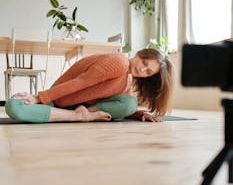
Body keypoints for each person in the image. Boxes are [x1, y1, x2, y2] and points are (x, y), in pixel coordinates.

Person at [5, 48, 174, 123]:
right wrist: (39, 97)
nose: (142, 69)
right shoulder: (119, 62)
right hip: (60, 99)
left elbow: (121, 106)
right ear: (139, 54)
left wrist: (138, 115)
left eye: (147, 72)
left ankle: (77, 114)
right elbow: (81, 82)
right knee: (14, 107)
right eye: (144, 62)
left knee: (130, 103)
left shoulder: (127, 80)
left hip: (81, 106)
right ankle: (77, 117)